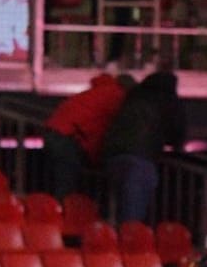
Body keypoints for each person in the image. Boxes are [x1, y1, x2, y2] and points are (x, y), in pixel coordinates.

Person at [101, 70, 184, 225]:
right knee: (134, 208)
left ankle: (114, 238)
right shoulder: (167, 100)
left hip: (113, 154)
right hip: (141, 155)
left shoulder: (134, 96)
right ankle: (130, 242)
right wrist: (176, 146)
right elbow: (176, 129)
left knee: (118, 203)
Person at [42, 73, 128, 200]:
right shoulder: (117, 96)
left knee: (58, 180)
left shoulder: (96, 92)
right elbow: (104, 130)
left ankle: (50, 211)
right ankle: (63, 215)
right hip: (69, 137)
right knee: (66, 184)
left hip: (55, 131)